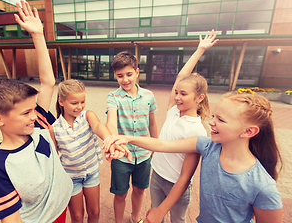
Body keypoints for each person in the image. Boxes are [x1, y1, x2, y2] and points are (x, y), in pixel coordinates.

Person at [104, 92, 283, 223]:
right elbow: (162, 145)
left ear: (248, 131)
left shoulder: (263, 187)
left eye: (221, 120)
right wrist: (127, 138)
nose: (211, 122)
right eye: (213, 116)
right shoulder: (207, 146)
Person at [0, 1, 73, 223]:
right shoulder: (0, 166)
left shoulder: (36, 123)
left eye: (33, 109)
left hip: (62, 208)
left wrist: (38, 35)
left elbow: (48, 82)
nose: (35, 114)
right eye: (25, 112)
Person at [146, 30, 218, 223]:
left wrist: (162, 210)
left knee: (177, 220)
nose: (177, 97)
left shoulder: (197, 130)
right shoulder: (172, 110)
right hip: (157, 175)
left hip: (176, 184)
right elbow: (182, 75)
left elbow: (186, 177)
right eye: (176, 92)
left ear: (199, 98)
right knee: (155, 216)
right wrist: (199, 50)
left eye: (183, 94)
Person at [51, 79, 130, 223]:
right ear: (61, 102)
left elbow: (99, 127)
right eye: (74, 103)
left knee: (94, 212)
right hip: (71, 178)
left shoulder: (88, 116)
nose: (80, 106)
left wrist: (110, 140)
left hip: (91, 173)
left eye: (82, 101)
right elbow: (54, 158)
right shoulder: (54, 128)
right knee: (77, 216)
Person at [106, 51, 158, 223]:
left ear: (137, 72)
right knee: (120, 194)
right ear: (115, 75)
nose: (125, 80)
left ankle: (136, 219)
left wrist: (155, 146)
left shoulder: (149, 96)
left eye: (129, 74)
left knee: (139, 190)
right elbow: (111, 123)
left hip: (143, 155)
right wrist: (116, 141)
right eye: (120, 76)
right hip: (121, 155)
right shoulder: (113, 97)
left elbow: (152, 124)